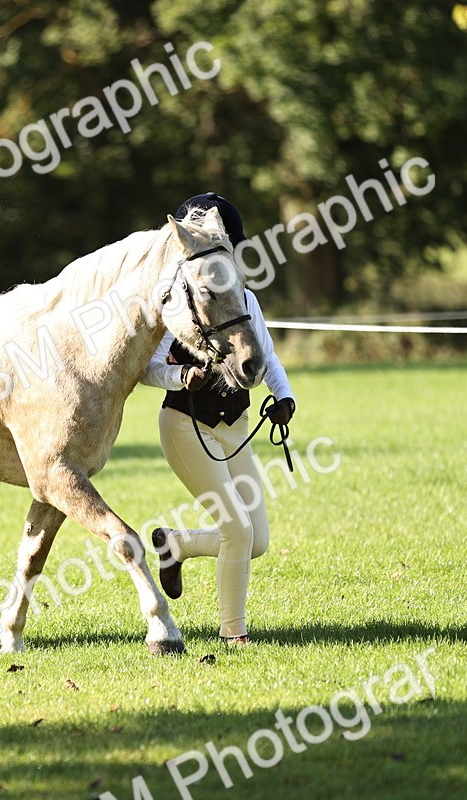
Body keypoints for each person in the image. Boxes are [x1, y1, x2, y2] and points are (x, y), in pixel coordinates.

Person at [140, 192, 296, 645]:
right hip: (186, 427)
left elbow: (265, 355)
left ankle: (178, 544)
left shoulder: (244, 298)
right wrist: (178, 374)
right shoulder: (172, 303)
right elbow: (148, 368)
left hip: (237, 430)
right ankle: (234, 634)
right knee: (237, 529)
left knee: (258, 541)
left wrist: (283, 396)